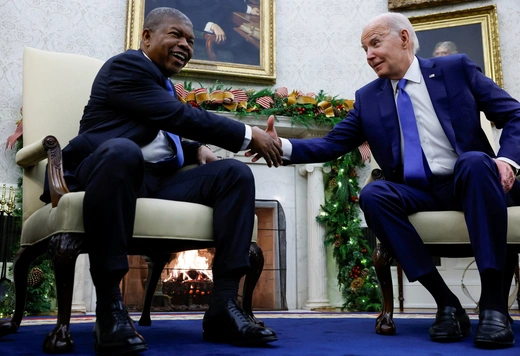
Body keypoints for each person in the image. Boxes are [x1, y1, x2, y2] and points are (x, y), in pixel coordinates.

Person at [251, 12, 520, 349]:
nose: (369, 55)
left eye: (375, 43)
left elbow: (514, 114)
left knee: (476, 162)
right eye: (364, 48)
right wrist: (279, 146)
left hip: (469, 181)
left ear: (404, 39)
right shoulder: (369, 98)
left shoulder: (455, 69)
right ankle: (447, 302)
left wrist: (508, 160)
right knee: (375, 194)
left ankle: (494, 306)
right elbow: (331, 144)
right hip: (418, 191)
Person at [51, 7, 282, 356]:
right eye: (175, 34)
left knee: (234, 173)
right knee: (122, 152)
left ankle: (222, 306)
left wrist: (196, 149)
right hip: (109, 173)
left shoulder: (164, 86)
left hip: (157, 180)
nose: (185, 45)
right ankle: (110, 309)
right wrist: (249, 134)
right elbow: (174, 117)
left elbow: (160, 132)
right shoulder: (126, 66)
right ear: (146, 36)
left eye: (190, 40)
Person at [145, 0, 260, 65]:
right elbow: (174, 15)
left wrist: (248, 9)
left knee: (245, 42)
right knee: (243, 51)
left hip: (221, 23)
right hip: (198, 32)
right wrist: (209, 25)